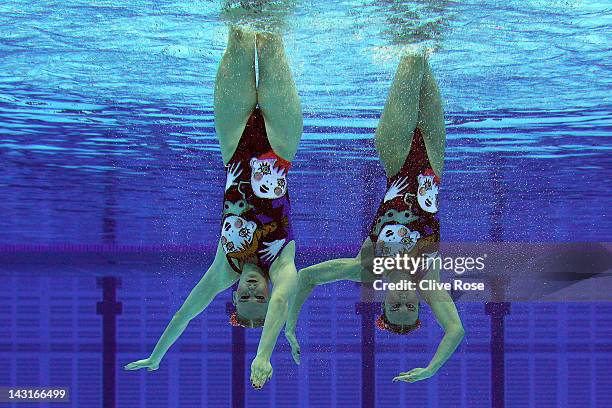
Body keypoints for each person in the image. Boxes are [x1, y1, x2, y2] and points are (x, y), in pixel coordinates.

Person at [124, 25, 302, 390]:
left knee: (239, 34)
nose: (254, 290)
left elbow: (185, 314)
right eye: (260, 297)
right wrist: (263, 355)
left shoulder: (225, 266)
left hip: (233, 142)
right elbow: (284, 301)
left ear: (234, 294)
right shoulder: (282, 265)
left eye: (245, 296)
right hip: (281, 146)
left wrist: (156, 356)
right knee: (271, 38)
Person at [284, 52, 464, 384]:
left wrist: (290, 327)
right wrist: (430, 369)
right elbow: (455, 331)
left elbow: (307, 277)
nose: (404, 305)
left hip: (395, 159)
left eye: (395, 309)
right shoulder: (427, 281)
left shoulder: (367, 267)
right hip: (434, 163)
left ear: (383, 303)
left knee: (411, 57)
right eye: (411, 310)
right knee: (425, 55)